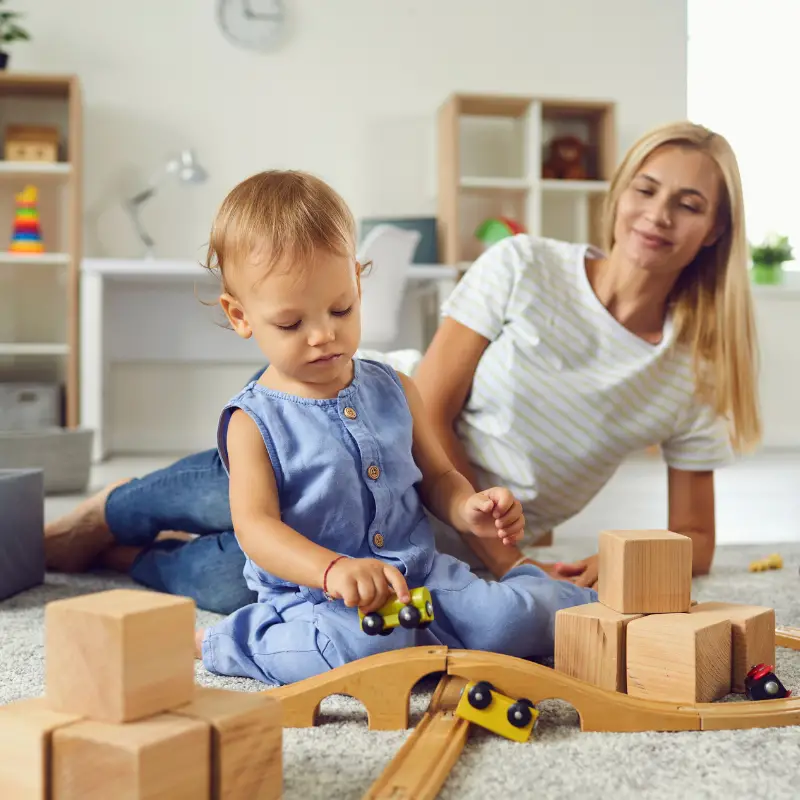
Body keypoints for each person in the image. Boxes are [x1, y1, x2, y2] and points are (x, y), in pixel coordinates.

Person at [44, 120, 760, 612]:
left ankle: (128, 559)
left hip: (439, 539)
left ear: (715, 229)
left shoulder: (695, 373)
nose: (658, 215)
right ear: (621, 191)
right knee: (213, 492)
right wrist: (501, 553)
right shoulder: (526, 265)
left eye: (688, 204)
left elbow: (695, 538)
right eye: (646, 188)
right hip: (340, 431)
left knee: (235, 579)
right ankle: (99, 516)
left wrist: (615, 561)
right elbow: (435, 407)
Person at [182, 169, 598, 683]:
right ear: (240, 315)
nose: (323, 335)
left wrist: (470, 509)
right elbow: (257, 529)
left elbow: (439, 480)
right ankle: (233, 641)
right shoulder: (252, 421)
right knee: (356, 655)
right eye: (291, 324)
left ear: (357, 281)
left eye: (341, 308)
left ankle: (590, 603)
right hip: (318, 600)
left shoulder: (397, 389)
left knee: (514, 619)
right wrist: (333, 570)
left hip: (425, 578)